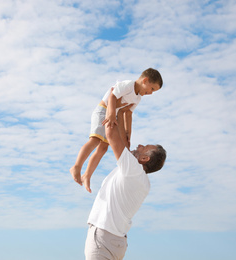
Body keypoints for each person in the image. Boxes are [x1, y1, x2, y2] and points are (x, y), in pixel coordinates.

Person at [84, 105, 167, 260]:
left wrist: (110, 109)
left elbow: (111, 133)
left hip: (103, 238)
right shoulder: (141, 180)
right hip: (117, 242)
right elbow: (124, 141)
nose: (139, 145)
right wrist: (122, 112)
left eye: (144, 147)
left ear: (144, 159)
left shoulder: (132, 169)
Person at [70, 68, 163, 193]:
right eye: (152, 89)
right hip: (104, 111)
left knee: (103, 148)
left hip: (114, 116)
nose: (151, 93)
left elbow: (127, 113)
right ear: (145, 80)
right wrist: (111, 114)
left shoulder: (137, 98)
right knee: (95, 140)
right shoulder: (128, 85)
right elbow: (113, 96)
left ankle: (87, 174)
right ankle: (77, 166)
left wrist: (127, 132)